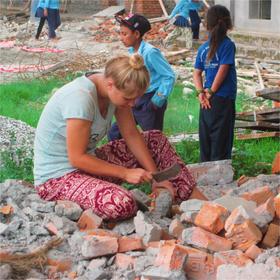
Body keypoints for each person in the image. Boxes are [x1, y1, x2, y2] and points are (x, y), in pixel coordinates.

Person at [34, 54, 205, 221]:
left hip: (88, 166)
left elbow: (131, 134)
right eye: (128, 99)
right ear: (110, 84)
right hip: (58, 179)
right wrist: (125, 173)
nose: (132, 104)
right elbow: (77, 158)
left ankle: (199, 204)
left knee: (155, 140)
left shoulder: (115, 90)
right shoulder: (81, 98)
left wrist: (156, 176)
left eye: (136, 98)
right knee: (122, 204)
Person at [108, 14, 175, 141]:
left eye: (124, 34)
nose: (121, 38)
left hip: (150, 99)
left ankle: (156, 160)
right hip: (136, 99)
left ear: (137, 34)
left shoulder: (150, 52)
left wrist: (156, 101)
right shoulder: (132, 51)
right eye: (120, 33)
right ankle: (125, 159)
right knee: (115, 133)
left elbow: (169, 76)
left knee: (152, 140)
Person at [193, 5, 237, 162]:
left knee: (206, 135)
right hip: (222, 98)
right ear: (228, 24)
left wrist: (201, 93)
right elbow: (223, 70)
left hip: (206, 100)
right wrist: (210, 92)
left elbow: (196, 73)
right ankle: (219, 173)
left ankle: (205, 168)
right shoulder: (228, 45)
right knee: (222, 137)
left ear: (206, 25)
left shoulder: (203, 48)